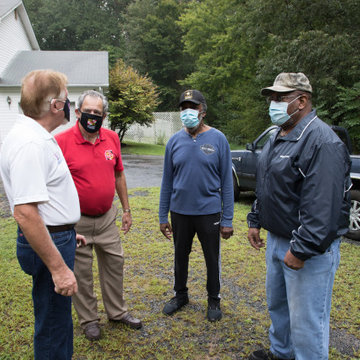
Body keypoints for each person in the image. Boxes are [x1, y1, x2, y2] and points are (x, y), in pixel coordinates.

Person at [247, 73, 351, 360]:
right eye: (272, 98)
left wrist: (302, 249)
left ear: (302, 100)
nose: (273, 103)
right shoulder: (278, 135)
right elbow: (267, 182)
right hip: (278, 240)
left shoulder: (322, 141)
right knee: (278, 308)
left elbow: (324, 207)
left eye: (280, 98)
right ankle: (281, 353)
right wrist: (256, 219)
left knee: (307, 324)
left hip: (307, 250)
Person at [0, 70, 85, 359]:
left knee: (56, 320)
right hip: (48, 240)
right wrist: (59, 269)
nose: (70, 105)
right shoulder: (31, 144)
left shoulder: (33, 136)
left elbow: (42, 199)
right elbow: (25, 212)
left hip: (56, 235)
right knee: (52, 326)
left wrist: (67, 231)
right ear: (55, 106)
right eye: (66, 99)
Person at [55, 90, 141, 341]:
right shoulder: (61, 142)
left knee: (115, 265)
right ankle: (89, 320)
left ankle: (117, 312)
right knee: (81, 271)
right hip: (76, 221)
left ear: (103, 115)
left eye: (98, 113)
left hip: (106, 219)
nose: (92, 117)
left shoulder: (111, 138)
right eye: (88, 112)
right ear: (78, 112)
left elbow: (119, 175)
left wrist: (126, 209)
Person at [159, 89, 234, 322]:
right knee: (180, 256)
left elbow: (227, 182)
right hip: (180, 212)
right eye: (183, 107)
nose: (187, 112)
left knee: (212, 257)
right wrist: (163, 216)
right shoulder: (174, 142)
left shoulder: (218, 139)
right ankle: (180, 295)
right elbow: (167, 182)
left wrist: (228, 219)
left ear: (203, 110)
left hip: (209, 212)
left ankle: (214, 299)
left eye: (192, 107)